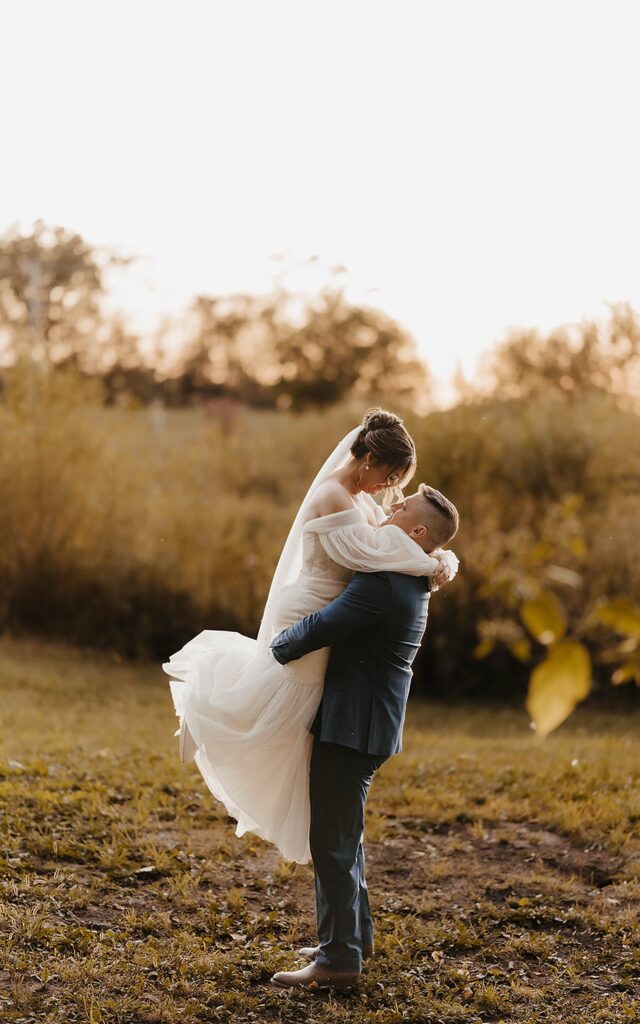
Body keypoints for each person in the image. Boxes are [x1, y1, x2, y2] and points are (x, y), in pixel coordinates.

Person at [163, 409, 458, 864]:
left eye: (398, 480)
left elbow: (395, 537)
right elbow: (374, 554)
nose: (390, 488)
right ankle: (211, 720)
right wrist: (435, 561)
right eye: (390, 475)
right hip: (306, 614)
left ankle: (333, 832)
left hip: (326, 619)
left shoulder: (361, 499)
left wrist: (432, 554)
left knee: (300, 727)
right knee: (277, 711)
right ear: (369, 459)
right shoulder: (333, 497)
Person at [269, 484, 459, 990]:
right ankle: (354, 939)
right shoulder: (411, 576)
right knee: (343, 838)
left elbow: (324, 626)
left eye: (402, 509)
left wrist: (272, 648)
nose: (391, 507)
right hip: (370, 723)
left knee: (331, 841)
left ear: (417, 532)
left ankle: (338, 962)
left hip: (353, 727)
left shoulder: (386, 581)